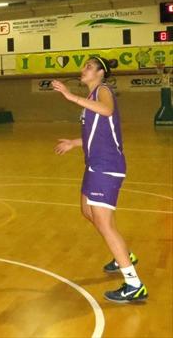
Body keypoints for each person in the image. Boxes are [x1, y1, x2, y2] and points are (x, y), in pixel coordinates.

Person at [52, 56, 148, 303]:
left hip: (107, 166)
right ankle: (124, 254)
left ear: (100, 73)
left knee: (104, 224)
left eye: (88, 66)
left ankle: (133, 283)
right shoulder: (90, 101)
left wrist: (70, 95)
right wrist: (75, 142)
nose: (83, 69)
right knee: (87, 211)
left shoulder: (103, 91)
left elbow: (107, 110)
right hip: (95, 165)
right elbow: (100, 134)